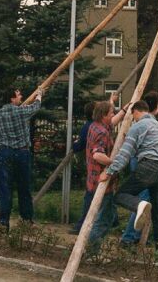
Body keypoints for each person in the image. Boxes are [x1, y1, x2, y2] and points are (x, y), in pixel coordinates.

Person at [98, 100, 158, 246]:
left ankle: (139, 206)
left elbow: (125, 154)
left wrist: (110, 171)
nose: (133, 118)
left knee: (120, 195)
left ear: (136, 111)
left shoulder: (137, 127)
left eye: (133, 115)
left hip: (148, 167)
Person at [0, 85, 43, 230]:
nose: (21, 97)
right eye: (18, 94)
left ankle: (3, 223)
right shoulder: (21, 112)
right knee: (24, 188)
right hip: (22, 154)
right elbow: (36, 107)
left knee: (5, 189)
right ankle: (27, 221)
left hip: (4, 154)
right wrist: (39, 94)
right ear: (12, 98)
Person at [120, 90, 158, 246]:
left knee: (142, 200)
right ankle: (130, 237)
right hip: (149, 162)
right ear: (155, 106)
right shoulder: (152, 121)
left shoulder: (139, 116)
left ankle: (132, 237)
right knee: (145, 202)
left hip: (139, 159)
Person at [85, 99, 129, 249]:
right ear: (104, 115)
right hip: (101, 180)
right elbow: (97, 155)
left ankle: (91, 247)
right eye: (111, 113)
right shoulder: (102, 132)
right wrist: (113, 163)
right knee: (103, 219)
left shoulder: (96, 126)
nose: (113, 115)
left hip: (94, 179)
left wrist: (124, 110)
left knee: (105, 216)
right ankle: (92, 250)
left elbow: (113, 122)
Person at [70, 100, 96, 235]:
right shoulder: (91, 126)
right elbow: (80, 145)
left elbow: (79, 145)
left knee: (93, 194)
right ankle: (82, 224)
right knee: (93, 194)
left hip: (94, 165)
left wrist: (75, 144)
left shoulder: (89, 126)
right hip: (94, 165)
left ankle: (82, 225)